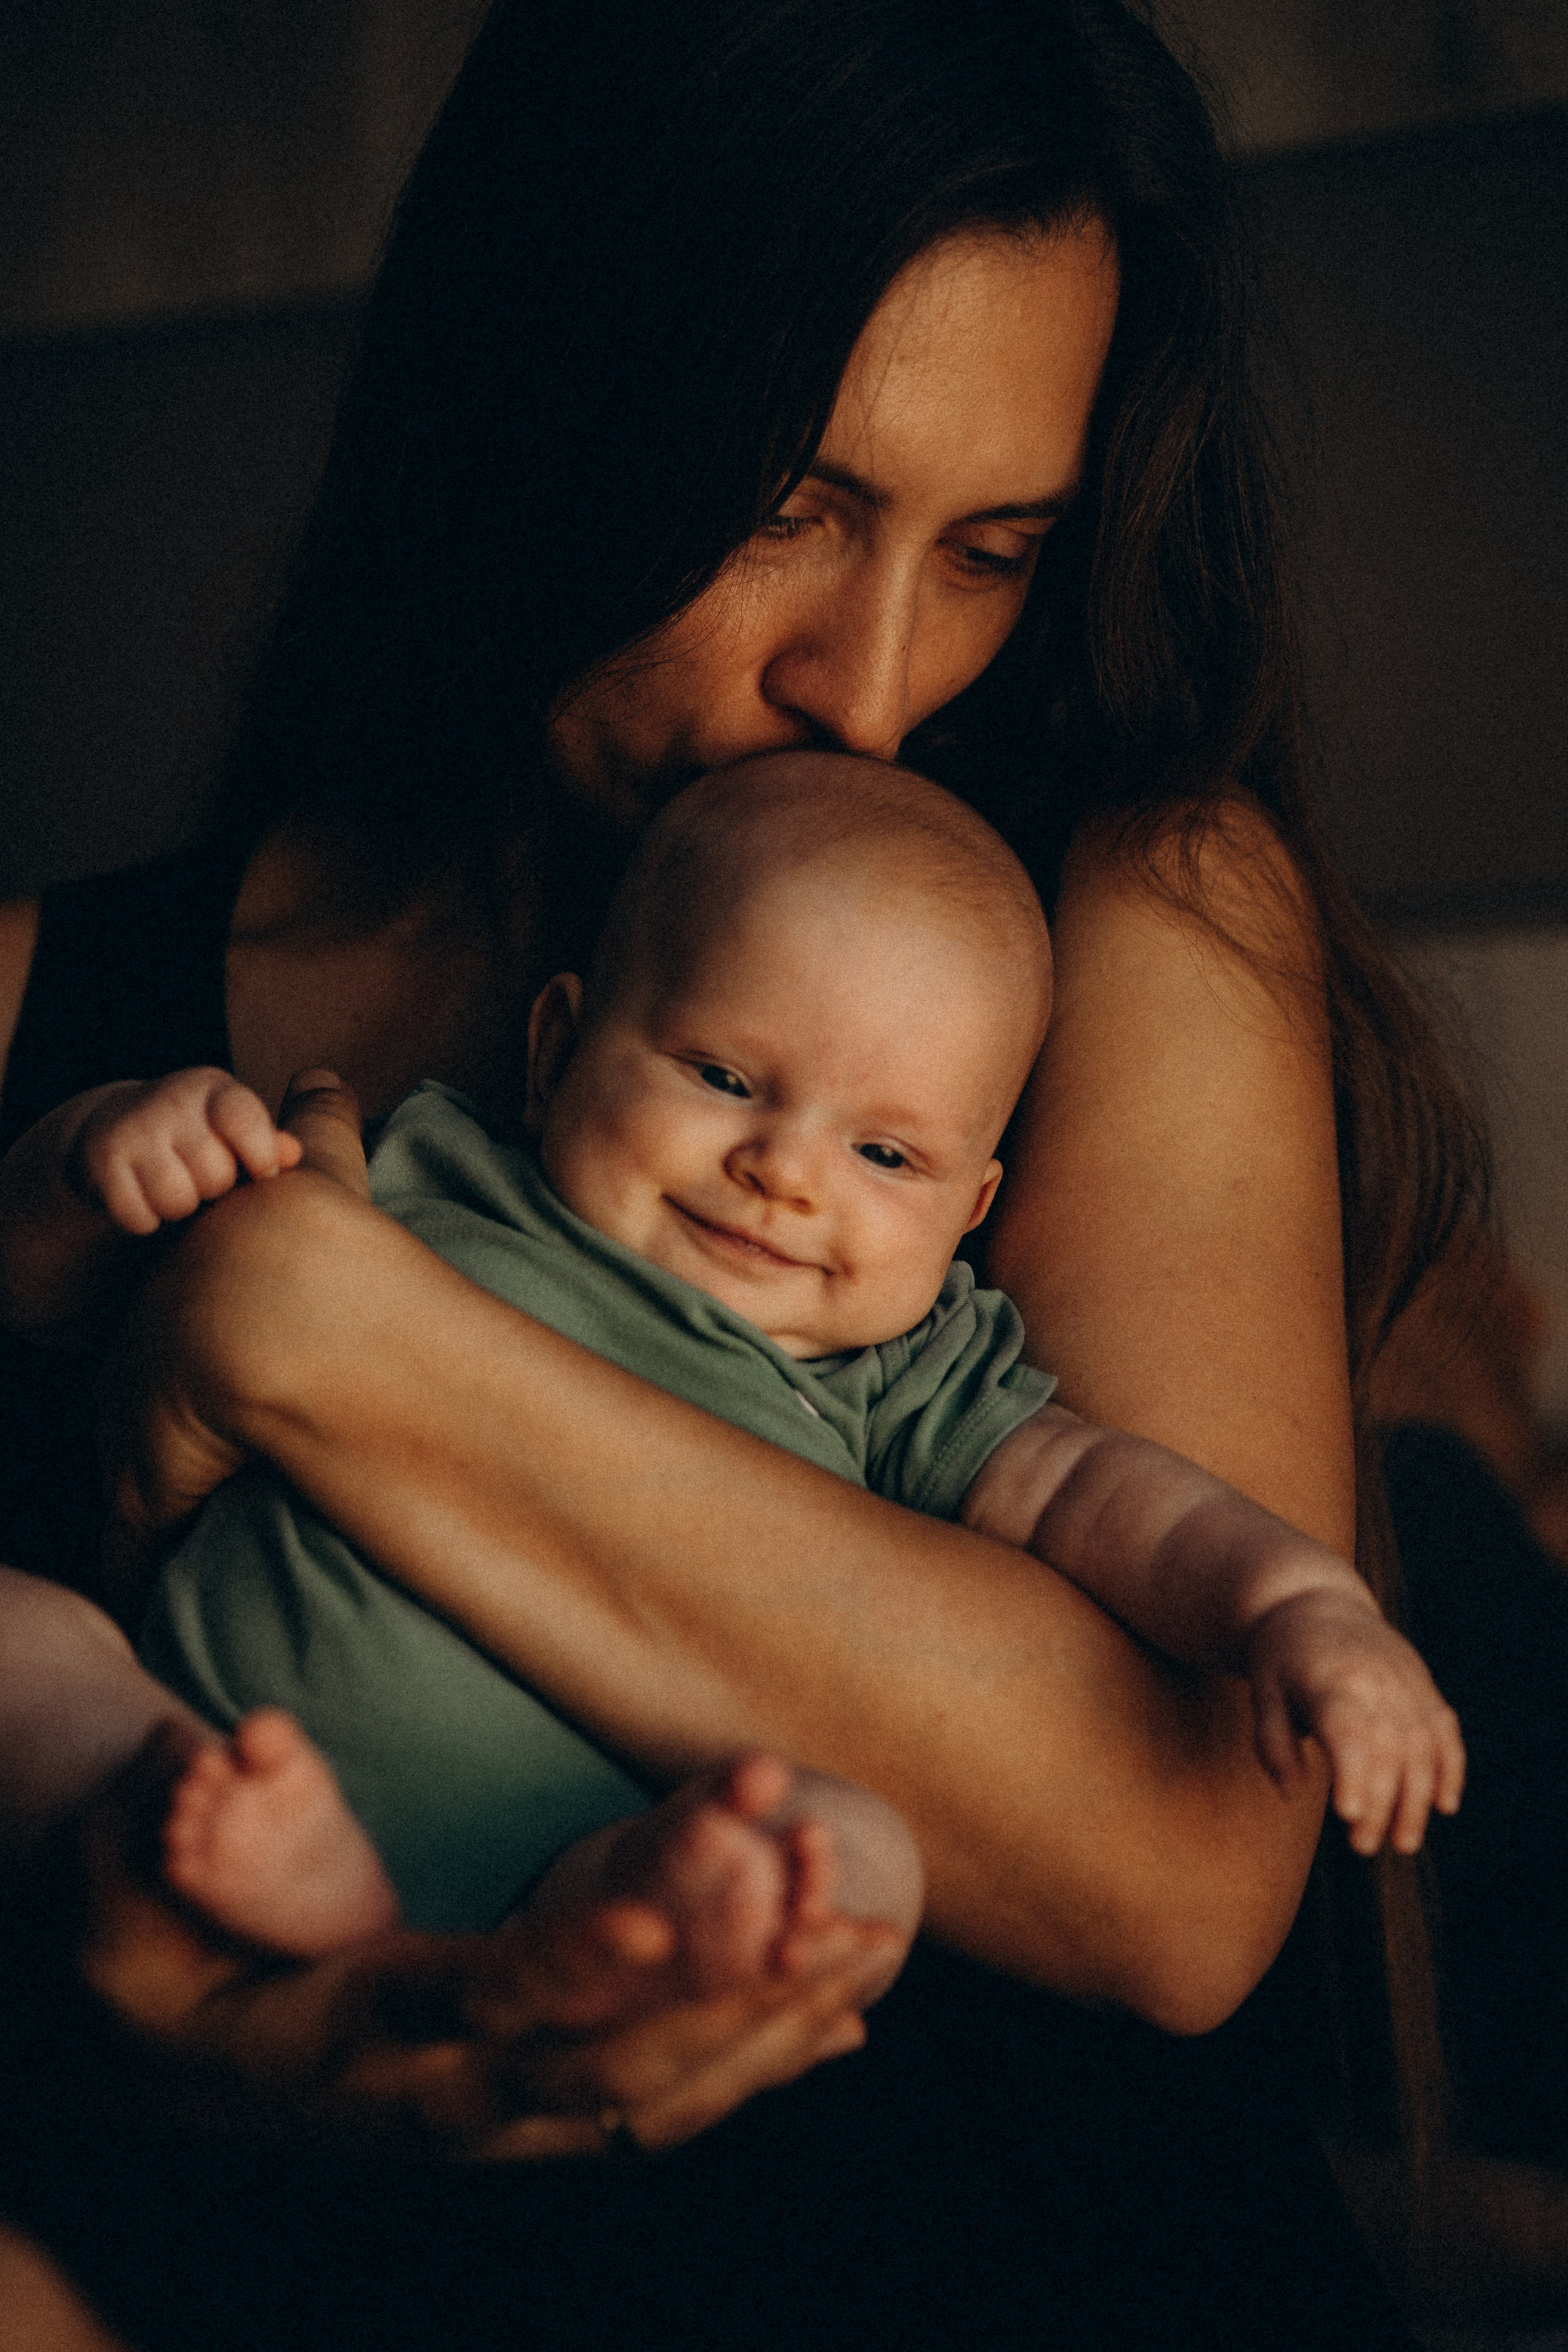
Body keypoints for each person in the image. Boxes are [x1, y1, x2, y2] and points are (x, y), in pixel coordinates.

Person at [0, 0, 1485, 2343]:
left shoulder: (1122, 904)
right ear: (538, 402)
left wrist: (327, 1342)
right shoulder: (46, 1004)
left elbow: (1187, 1876)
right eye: (786, 505)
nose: (874, 689)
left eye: (994, 549)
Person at [1, 755, 1461, 1965]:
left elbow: (1113, 1500)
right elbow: (60, 1295)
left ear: (970, 1215)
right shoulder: (431, 1164)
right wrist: (111, 1152)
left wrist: (1297, 1607)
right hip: (186, 1740)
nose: (781, 1171)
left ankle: (624, 1939)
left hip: (566, 1895)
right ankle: (257, 1864)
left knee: (848, 1846)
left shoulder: (905, 1375)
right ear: (557, 1042)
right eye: (721, 1077)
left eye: (883, 1153)